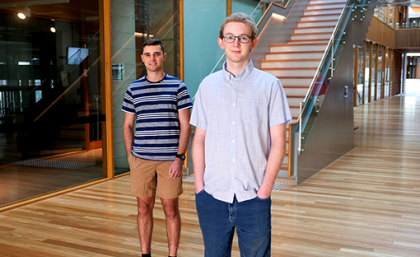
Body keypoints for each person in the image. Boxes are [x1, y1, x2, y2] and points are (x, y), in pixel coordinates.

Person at [190, 13, 291, 256]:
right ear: (220, 41)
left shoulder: (270, 86)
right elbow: (200, 139)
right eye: (230, 37)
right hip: (212, 197)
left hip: (254, 198)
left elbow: (279, 142)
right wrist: (199, 187)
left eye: (243, 38)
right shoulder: (207, 86)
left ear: (253, 42)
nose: (236, 43)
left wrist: (264, 191)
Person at [122, 39, 192, 257]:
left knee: (171, 210)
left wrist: (179, 157)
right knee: (143, 209)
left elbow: (186, 125)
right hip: (141, 160)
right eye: (148, 54)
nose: (152, 58)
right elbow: (127, 126)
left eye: (156, 54)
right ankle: (146, 254)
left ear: (164, 56)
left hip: (169, 161)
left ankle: (172, 255)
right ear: (142, 58)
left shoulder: (178, 86)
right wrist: (130, 157)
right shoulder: (133, 89)